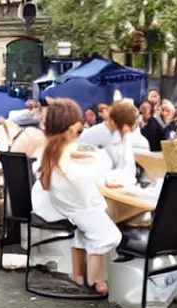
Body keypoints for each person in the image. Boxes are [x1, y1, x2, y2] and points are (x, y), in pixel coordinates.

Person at [36, 98, 122, 295]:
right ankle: (95, 280)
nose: (81, 124)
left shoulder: (53, 150)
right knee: (108, 234)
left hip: (63, 206)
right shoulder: (64, 152)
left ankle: (79, 275)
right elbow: (81, 181)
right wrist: (100, 178)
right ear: (67, 126)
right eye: (77, 121)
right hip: (75, 208)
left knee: (87, 230)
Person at [104, 101, 141, 188]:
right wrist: (109, 179)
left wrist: (122, 181)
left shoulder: (126, 138)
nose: (130, 129)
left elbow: (129, 168)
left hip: (119, 187)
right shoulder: (103, 137)